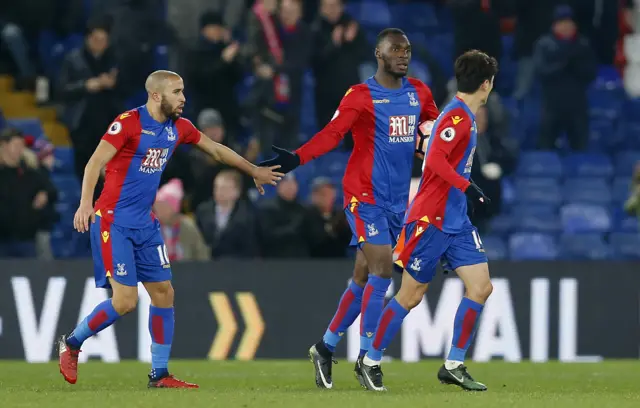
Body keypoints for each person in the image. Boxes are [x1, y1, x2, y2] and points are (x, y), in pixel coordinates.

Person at [56, 70, 283, 388]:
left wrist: (253, 170)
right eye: (177, 92)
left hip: (145, 224)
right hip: (113, 220)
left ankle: (159, 374)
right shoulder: (128, 123)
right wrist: (84, 204)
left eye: (184, 91)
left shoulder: (180, 128)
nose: (183, 98)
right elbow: (94, 163)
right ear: (156, 95)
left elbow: (216, 150)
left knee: (164, 294)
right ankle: (73, 343)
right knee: (125, 301)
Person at [259, 28, 439, 389]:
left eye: (407, 49)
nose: (403, 55)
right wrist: (297, 158)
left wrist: (431, 144)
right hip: (363, 196)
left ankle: (324, 348)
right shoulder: (360, 96)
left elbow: (432, 130)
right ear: (378, 53)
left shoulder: (420, 92)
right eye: (396, 49)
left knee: (362, 277)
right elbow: (331, 134)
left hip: (396, 201)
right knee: (383, 270)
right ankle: (369, 358)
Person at [357, 50, 498, 393]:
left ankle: (453, 364)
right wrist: (468, 185)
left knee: (481, 287)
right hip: (430, 219)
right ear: (486, 84)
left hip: (456, 221)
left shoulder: (465, 115)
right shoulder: (456, 117)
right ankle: (370, 360)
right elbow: (434, 160)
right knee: (411, 295)